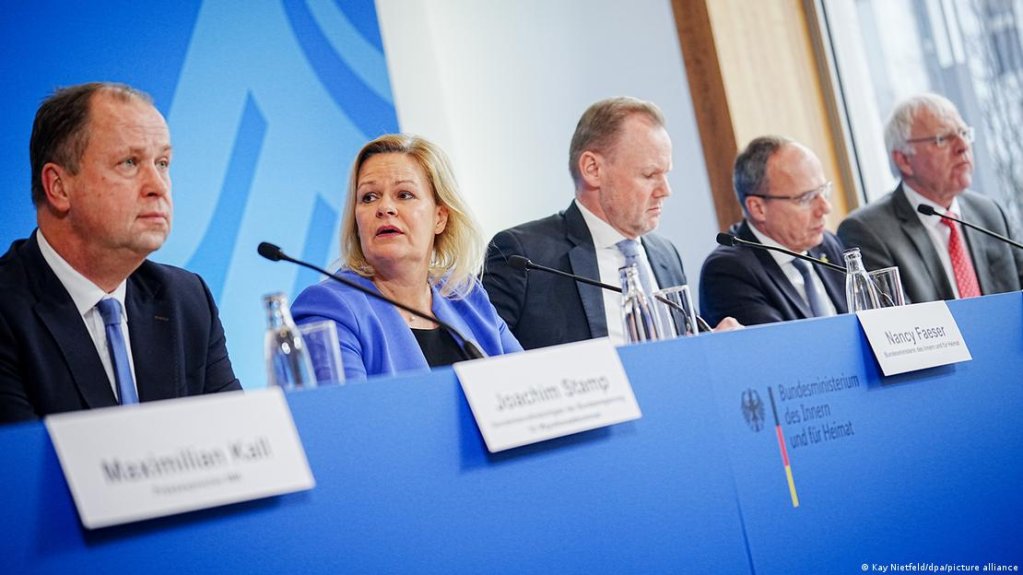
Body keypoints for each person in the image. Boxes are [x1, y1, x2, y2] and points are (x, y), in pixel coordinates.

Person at [0, 82, 241, 424]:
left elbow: (233, 440)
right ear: (59, 186)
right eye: (129, 162)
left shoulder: (187, 300)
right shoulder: (7, 312)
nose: (158, 186)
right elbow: (21, 472)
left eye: (162, 163)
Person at [483, 96, 739, 350]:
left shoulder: (665, 254)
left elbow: (686, 349)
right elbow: (484, 360)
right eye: (650, 175)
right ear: (593, 169)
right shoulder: (525, 256)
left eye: (666, 174)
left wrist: (712, 343)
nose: (665, 190)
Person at [292, 134, 521, 380]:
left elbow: (526, 385)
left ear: (440, 217)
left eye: (404, 195)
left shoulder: (465, 296)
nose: (385, 208)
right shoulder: (329, 307)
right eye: (369, 197)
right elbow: (348, 413)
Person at [838, 93, 1023, 303]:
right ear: (904, 159)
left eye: (963, 133)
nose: (963, 146)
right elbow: (896, 326)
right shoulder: (868, 231)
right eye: (942, 139)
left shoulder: (989, 213)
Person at [700, 136, 848, 326]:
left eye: (823, 191)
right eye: (806, 198)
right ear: (758, 208)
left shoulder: (827, 245)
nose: (825, 208)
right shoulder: (728, 271)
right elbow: (780, 351)